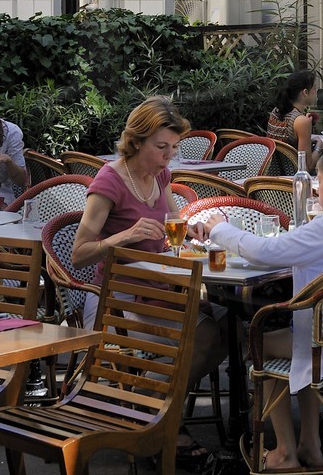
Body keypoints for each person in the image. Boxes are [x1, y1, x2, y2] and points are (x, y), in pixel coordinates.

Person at [192, 144, 323, 470]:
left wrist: (218, 227)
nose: (317, 188)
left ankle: (285, 451)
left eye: (321, 181)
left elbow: (263, 252)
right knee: (289, 340)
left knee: (258, 341)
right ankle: (310, 445)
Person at [72, 97, 225, 461]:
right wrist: (122, 237)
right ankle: (160, 424)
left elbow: (174, 223)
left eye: (173, 147)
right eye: (161, 147)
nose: (169, 155)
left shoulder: (160, 174)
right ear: (137, 141)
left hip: (158, 286)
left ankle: (153, 412)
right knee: (200, 336)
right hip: (116, 295)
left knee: (225, 331)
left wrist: (193, 230)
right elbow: (80, 252)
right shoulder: (109, 180)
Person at [266, 69, 319, 151]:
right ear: (305, 92)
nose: (316, 92)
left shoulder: (276, 111)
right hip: (294, 164)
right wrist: (319, 146)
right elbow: (307, 163)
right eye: (314, 88)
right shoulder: (302, 121)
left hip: (271, 162)